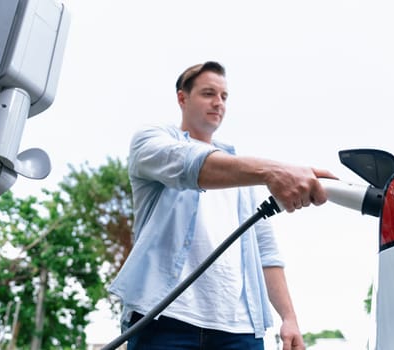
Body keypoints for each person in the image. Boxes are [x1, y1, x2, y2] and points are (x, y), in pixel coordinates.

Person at [108, 61, 336, 350]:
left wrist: (289, 317)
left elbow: (265, 250)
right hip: (165, 320)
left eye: (224, 96)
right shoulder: (152, 140)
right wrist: (272, 171)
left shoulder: (242, 173)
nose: (218, 103)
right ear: (182, 98)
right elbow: (190, 165)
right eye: (208, 93)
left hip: (239, 328)